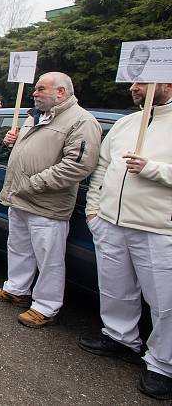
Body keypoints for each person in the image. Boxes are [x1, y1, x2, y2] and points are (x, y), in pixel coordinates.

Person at [78, 82, 172, 400]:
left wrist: (154, 170)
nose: (133, 87)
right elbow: (103, 167)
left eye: (141, 83)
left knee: (164, 302)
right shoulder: (125, 123)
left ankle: (162, 365)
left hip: (158, 228)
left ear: (166, 83)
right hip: (111, 223)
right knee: (115, 287)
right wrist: (94, 210)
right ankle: (119, 337)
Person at [0, 72, 101, 328]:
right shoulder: (37, 116)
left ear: (60, 92)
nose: (34, 93)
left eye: (40, 88)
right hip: (21, 198)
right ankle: (16, 289)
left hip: (47, 204)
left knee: (48, 259)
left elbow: (78, 165)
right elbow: (29, 151)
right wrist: (12, 143)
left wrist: (34, 184)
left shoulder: (82, 121)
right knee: (19, 247)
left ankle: (45, 307)